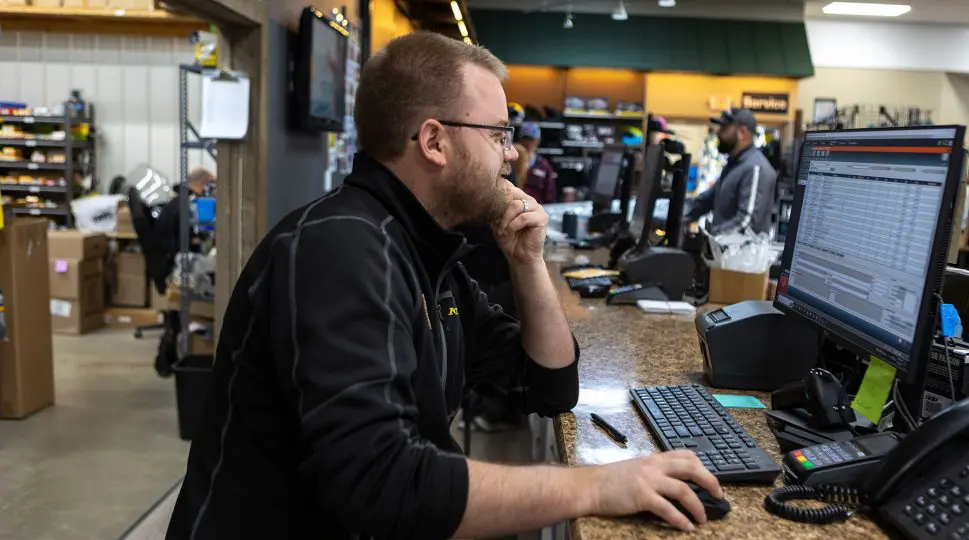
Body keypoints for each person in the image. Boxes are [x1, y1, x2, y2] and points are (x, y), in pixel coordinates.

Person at [168, 32, 721, 540]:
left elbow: (550, 388)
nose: (510, 153)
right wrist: (598, 486)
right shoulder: (339, 249)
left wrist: (527, 261)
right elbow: (382, 484)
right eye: (498, 133)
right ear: (434, 141)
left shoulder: (429, 253)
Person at [683, 108, 778, 235]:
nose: (718, 133)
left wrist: (711, 236)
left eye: (724, 128)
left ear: (742, 132)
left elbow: (747, 224)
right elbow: (703, 202)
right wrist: (671, 212)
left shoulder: (755, 168)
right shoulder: (734, 165)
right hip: (723, 251)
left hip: (741, 254)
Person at [154, 167, 215, 255]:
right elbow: (189, 239)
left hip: (169, 253)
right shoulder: (186, 205)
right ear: (203, 184)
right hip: (180, 257)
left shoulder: (178, 202)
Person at [513, 121, 558, 203]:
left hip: (536, 209)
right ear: (520, 139)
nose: (527, 143)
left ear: (538, 140)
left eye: (531, 139)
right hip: (515, 206)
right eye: (525, 138)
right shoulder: (511, 161)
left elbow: (550, 194)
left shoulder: (543, 165)